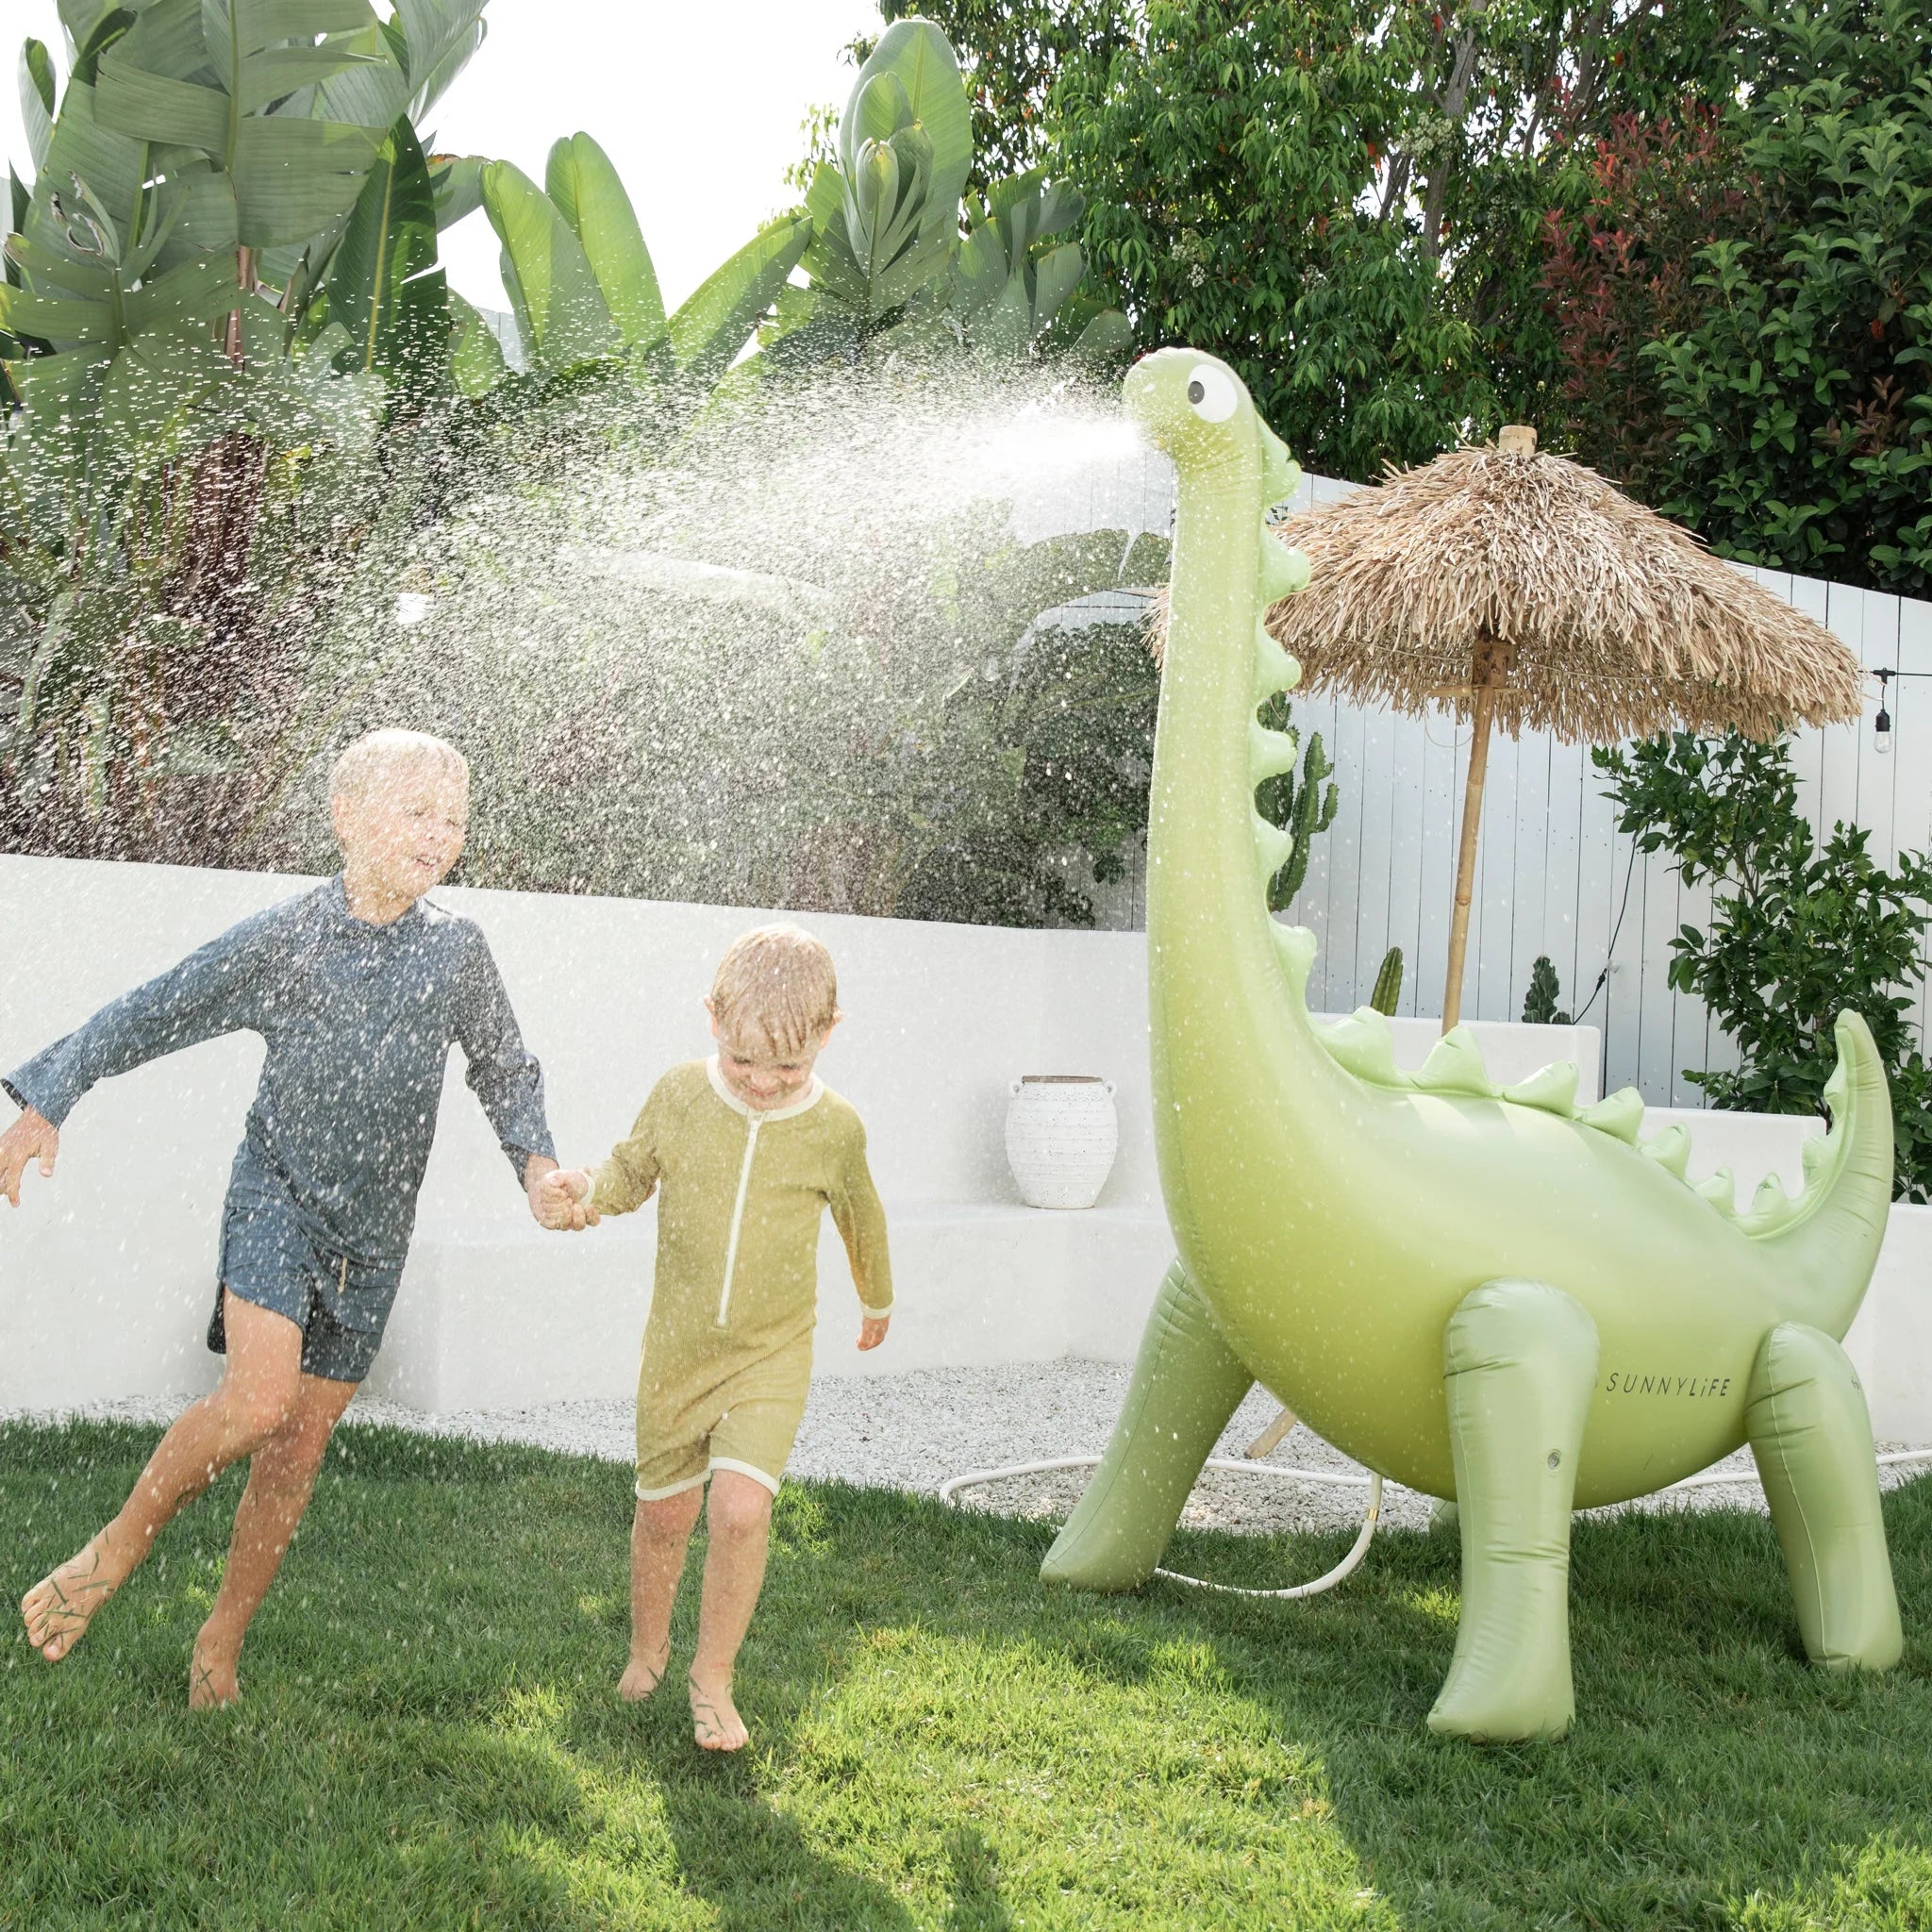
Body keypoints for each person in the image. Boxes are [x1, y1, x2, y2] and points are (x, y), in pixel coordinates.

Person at [1, 728, 593, 1706]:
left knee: (295, 1450)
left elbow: (501, 1065)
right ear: (346, 817)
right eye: (415, 811)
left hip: (374, 1234)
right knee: (257, 1400)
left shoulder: (456, 952)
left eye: (453, 818)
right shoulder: (286, 939)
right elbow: (152, 1010)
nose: (438, 834)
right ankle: (114, 1547)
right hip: (275, 1197)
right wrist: (48, 1096)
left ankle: (218, 1643)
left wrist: (535, 1168)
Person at [547, 924, 892, 1752]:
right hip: (678, 1351)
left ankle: (713, 1675)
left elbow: (861, 1213)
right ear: (712, 1018)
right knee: (665, 1518)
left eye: (789, 1068)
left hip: (773, 1351)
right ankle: (647, 1646)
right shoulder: (680, 1095)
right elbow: (633, 1171)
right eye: (745, 1062)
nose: (765, 1082)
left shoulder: (835, 1128)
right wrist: (589, 1192)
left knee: (739, 1510)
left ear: (827, 1037)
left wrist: (876, 1298)